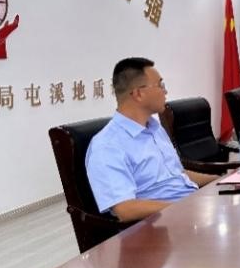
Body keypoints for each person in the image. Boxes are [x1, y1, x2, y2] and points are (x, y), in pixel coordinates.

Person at [86, 57, 217, 222]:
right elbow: (125, 209)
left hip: (190, 208)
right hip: (161, 225)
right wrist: (184, 207)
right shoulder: (107, 146)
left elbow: (178, 174)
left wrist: (221, 181)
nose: (165, 92)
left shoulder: (155, 128)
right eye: (160, 85)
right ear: (138, 94)